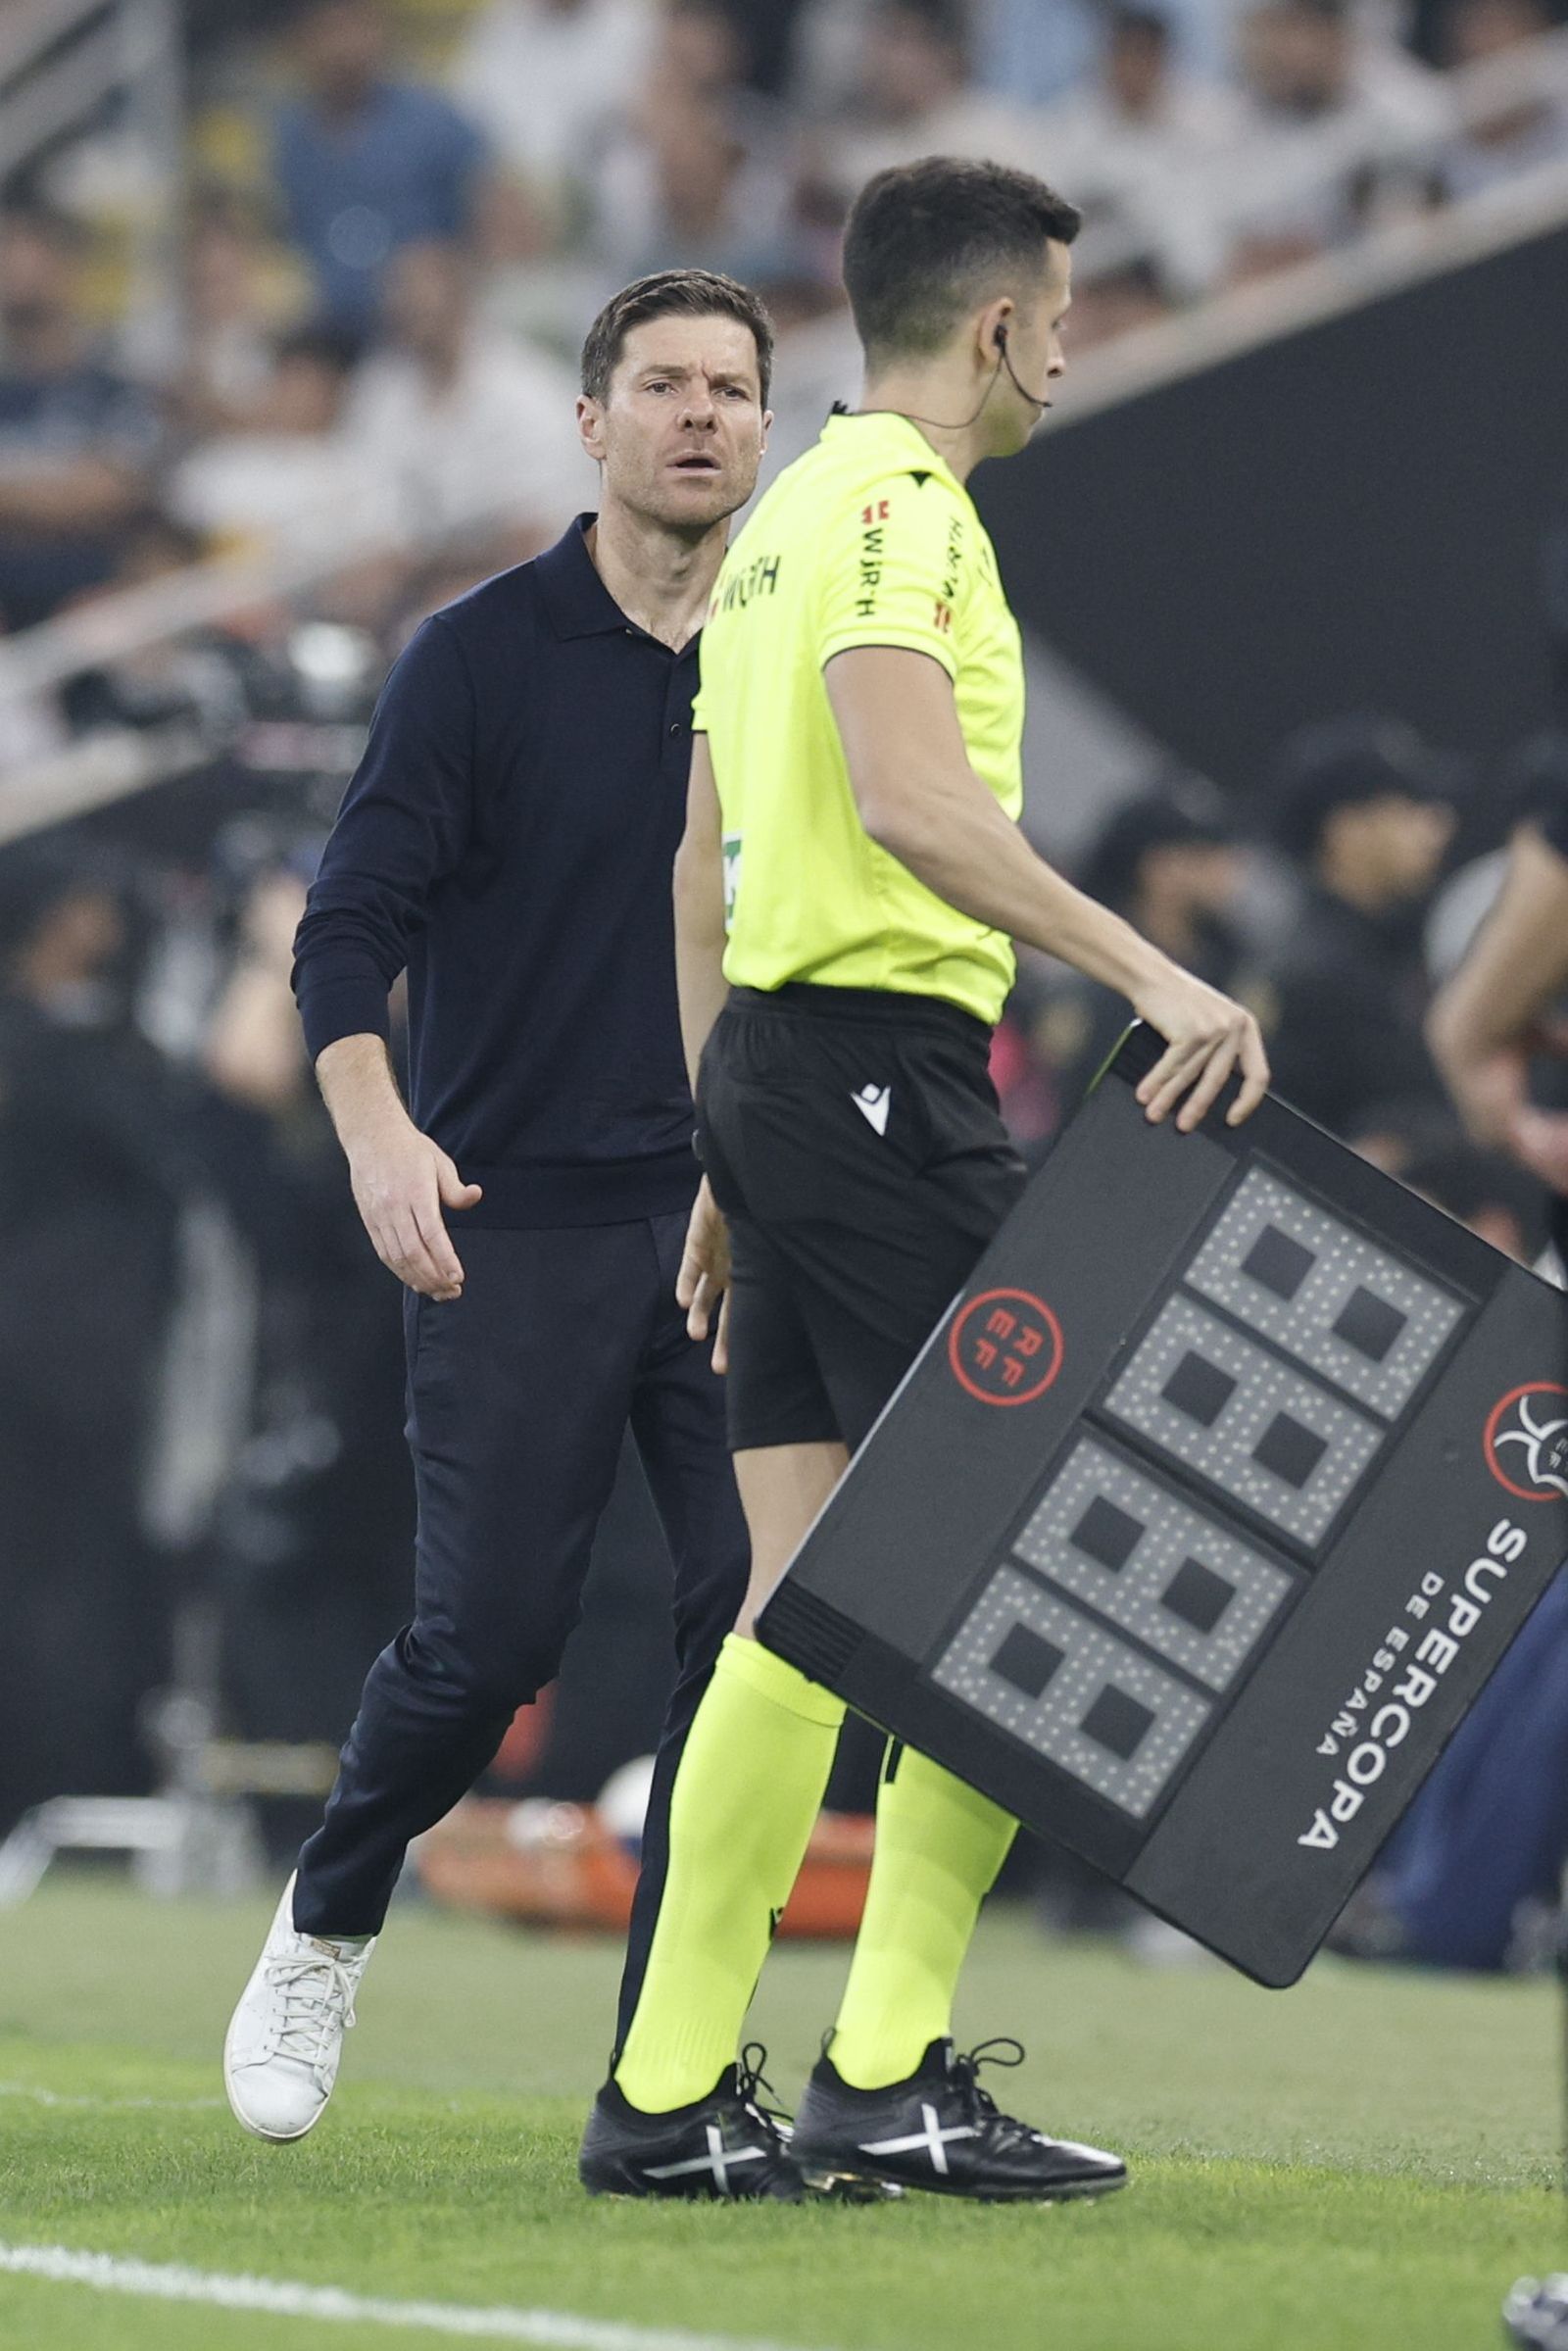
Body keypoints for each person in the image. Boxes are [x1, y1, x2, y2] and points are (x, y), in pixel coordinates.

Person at [581, 154, 1268, 2203]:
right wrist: (1147, 965)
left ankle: (667, 2085)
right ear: (989, 330)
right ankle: (880, 2068)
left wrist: (722, 1137)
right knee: (1032, 1545)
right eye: (1055, 321)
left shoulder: (777, 518)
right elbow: (903, 795)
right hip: (880, 1072)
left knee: (804, 1608)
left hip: (786, 1082)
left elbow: (703, 858)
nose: (1063, 352)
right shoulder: (899, 514)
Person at [221, 268, 771, 2152]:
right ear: (593, 424)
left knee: (764, 1622)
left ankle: (670, 2062)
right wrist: (377, 1125)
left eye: (733, 388)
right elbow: (347, 924)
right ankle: (327, 1917)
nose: (701, 414)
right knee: (488, 1640)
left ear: (765, 432)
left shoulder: (793, 656)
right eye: (665, 385)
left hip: (725, 1220)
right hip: (507, 1209)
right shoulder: (478, 651)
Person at [1259, 715, 1455, 1139]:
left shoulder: (1380, 948)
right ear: (1347, 830)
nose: (1439, 826)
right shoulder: (1321, 975)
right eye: (1409, 809)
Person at [271, 0, 490, 336]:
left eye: (356, 27)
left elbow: (486, 215)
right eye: (330, 30)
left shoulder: (432, 122)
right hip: (328, 334)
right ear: (303, 41)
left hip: (427, 328)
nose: (344, 48)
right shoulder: (291, 141)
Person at [0, 202, 161, 630]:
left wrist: (17, 498)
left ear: (67, 265)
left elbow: (111, 491)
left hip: (92, 608)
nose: (12, 265)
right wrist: (57, 490)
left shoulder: (114, 389)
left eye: (25, 247)